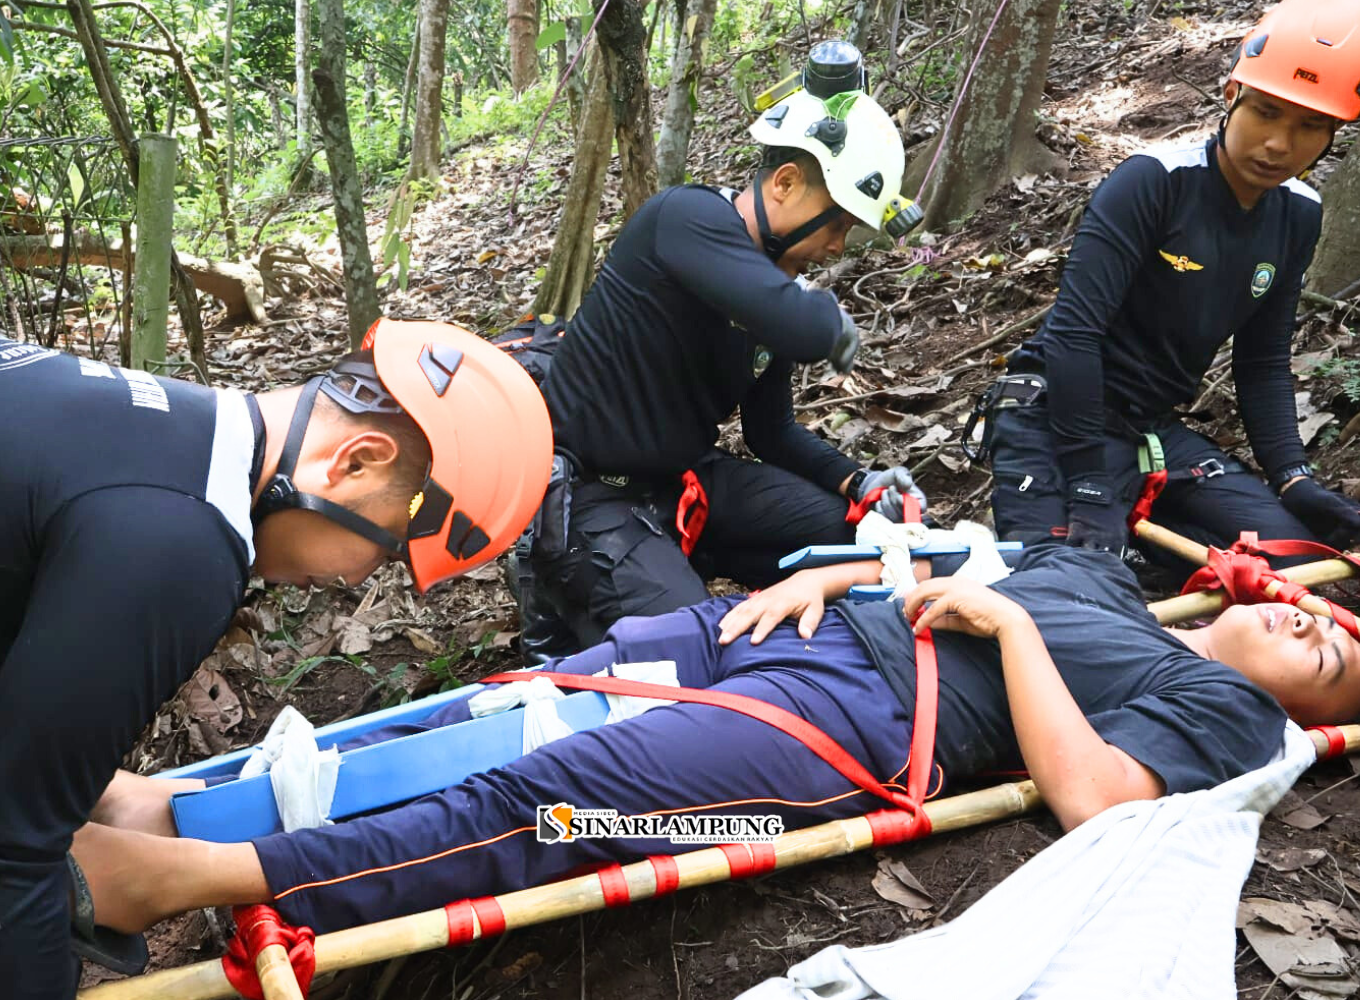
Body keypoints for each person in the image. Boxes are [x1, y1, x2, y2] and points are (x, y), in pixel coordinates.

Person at [68, 544, 1359, 943]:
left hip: (844, 741)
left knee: (567, 804)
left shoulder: (1233, 717)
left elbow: (1093, 796)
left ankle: (197, 876)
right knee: (525, 695)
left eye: (1343, 652)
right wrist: (844, 570)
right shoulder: (1101, 575)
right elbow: (940, 563)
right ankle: (185, 800)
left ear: (1323, 715)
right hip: (775, 636)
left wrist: (1010, 631)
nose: (1320, 624)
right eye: (1325, 608)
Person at [0, 319, 552, 1000]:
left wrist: (98, 790)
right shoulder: (178, 543)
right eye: (387, 547)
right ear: (356, 459)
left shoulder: (150, 429)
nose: (359, 580)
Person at [520, 40, 927, 660]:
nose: (839, 246)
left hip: (683, 479)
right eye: (839, 223)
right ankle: (561, 612)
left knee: (859, 540)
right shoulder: (683, 218)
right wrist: (830, 322)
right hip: (594, 500)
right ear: (786, 183)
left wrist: (857, 481)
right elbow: (804, 327)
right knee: (698, 653)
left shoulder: (770, 295)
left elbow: (773, 433)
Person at [978, 0, 1360, 572]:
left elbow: (1262, 361)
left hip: (1152, 432)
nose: (1280, 143)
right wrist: (1086, 483)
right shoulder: (1154, 181)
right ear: (1232, 95)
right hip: (1054, 412)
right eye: (1267, 112)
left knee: (1294, 560)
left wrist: (1293, 477)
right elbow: (1072, 336)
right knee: (1068, 581)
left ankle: (1142, 542)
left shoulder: (1300, 213)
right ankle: (1112, 541)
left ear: (1334, 133)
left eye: (1310, 125)